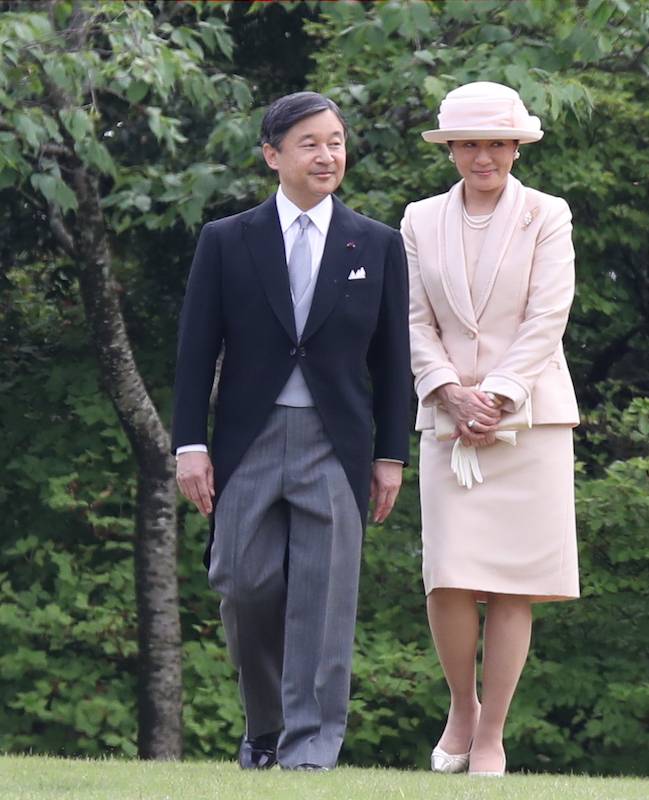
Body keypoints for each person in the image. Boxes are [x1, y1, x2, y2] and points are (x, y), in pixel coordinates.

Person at [171, 92, 411, 772]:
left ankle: (311, 752)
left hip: (337, 444)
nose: (327, 154)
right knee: (242, 583)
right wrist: (190, 444)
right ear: (273, 155)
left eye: (335, 141)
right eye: (310, 142)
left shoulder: (379, 244)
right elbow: (195, 351)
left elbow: (394, 361)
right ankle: (267, 726)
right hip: (247, 440)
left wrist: (391, 453)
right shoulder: (226, 239)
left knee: (325, 598)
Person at [401, 82, 580, 777]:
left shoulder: (547, 214)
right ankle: (461, 706)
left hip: (530, 420)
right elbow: (413, 321)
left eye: (497, 142)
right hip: (446, 420)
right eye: (470, 143)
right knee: (446, 577)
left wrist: (497, 397)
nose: (484, 156)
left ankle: (492, 734)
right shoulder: (418, 221)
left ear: (516, 146)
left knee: (511, 584)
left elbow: (547, 315)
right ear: (450, 150)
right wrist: (450, 393)